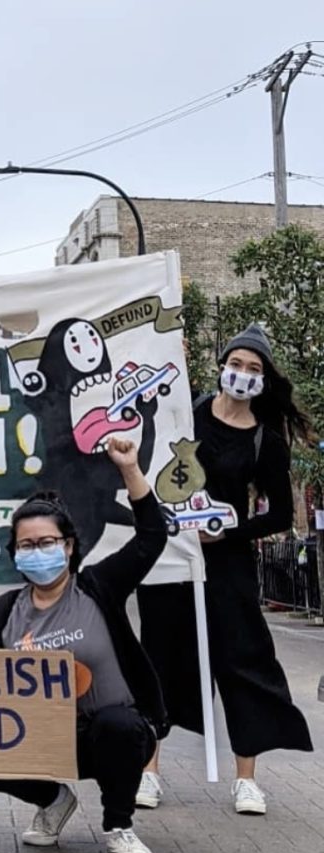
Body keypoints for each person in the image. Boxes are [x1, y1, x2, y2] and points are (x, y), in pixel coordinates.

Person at [0, 436, 168, 853]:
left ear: (69, 547)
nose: (38, 552)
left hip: (113, 733)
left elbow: (152, 537)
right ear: (14, 553)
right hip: (43, 738)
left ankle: (118, 827)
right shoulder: (6, 612)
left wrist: (129, 470)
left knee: (120, 725)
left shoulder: (97, 588)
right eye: (27, 545)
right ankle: (54, 801)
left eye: (47, 542)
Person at [136, 324, 313, 815]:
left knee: (242, 661)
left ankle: (246, 779)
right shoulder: (187, 414)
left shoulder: (264, 441)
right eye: (236, 364)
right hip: (173, 556)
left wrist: (227, 532)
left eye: (254, 369)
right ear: (221, 367)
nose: (242, 375)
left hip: (228, 565)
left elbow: (278, 513)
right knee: (162, 658)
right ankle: (149, 770)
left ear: (264, 378)